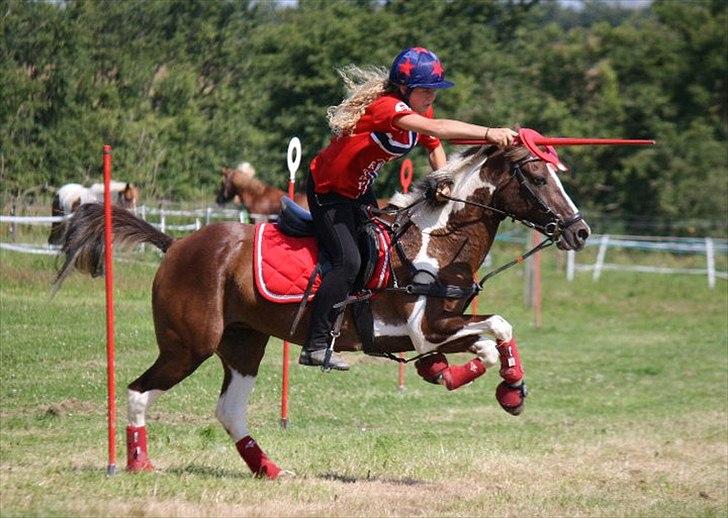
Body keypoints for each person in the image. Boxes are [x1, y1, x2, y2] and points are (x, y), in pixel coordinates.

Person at [299, 47, 517, 370]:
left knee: (381, 253)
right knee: (348, 261)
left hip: (358, 192)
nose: (432, 96)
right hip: (328, 191)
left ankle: (369, 329)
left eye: (435, 90)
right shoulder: (386, 108)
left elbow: (434, 146)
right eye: (426, 90)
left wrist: (442, 177)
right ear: (404, 88)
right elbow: (440, 130)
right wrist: (489, 134)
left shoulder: (419, 112)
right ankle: (315, 345)